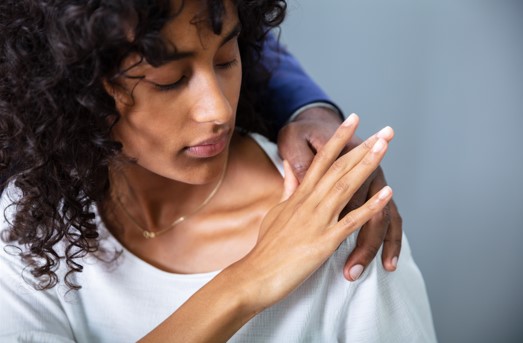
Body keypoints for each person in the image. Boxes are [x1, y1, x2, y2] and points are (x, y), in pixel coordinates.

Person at [0, 0, 436, 342]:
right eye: (169, 79)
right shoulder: (26, 226)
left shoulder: (333, 220)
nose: (218, 110)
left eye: (227, 59)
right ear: (77, 89)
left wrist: (313, 110)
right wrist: (247, 280)